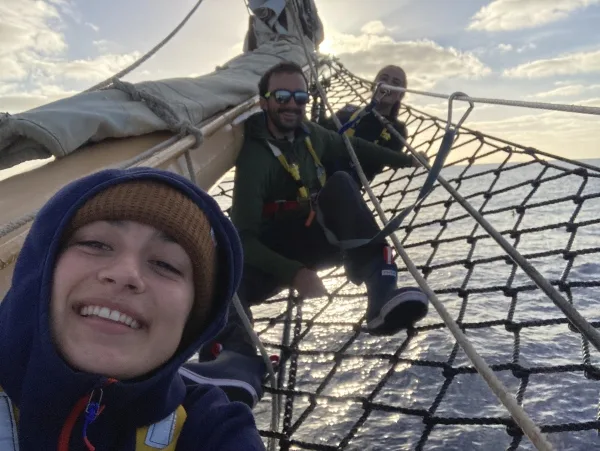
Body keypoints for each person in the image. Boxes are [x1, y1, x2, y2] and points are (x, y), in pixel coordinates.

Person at [184, 61, 428, 409]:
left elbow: (354, 149)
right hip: (270, 253)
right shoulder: (255, 156)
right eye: (281, 95)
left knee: (341, 183)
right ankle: (237, 359)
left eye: (300, 96)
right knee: (220, 264)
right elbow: (244, 237)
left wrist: (409, 162)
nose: (292, 103)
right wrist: (295, 274)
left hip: (317, 232)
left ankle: (381, 291)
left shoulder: (312, 135)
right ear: (264, 101)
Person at [0, 167, 265, 450]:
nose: (126, 274)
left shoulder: (210, 428)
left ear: (193, 320)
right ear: (42, 271)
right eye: (95, 244)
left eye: (166, 264)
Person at [321, 65, 410, 183]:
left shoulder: (396, 130)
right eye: (384, 79)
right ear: (374, 85)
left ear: (401, 94)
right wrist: (319, 103)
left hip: (343, 188)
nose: (388, 84)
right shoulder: (348, 110)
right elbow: (321, 133)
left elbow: (379, 162)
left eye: (395, 82)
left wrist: (409, 160)